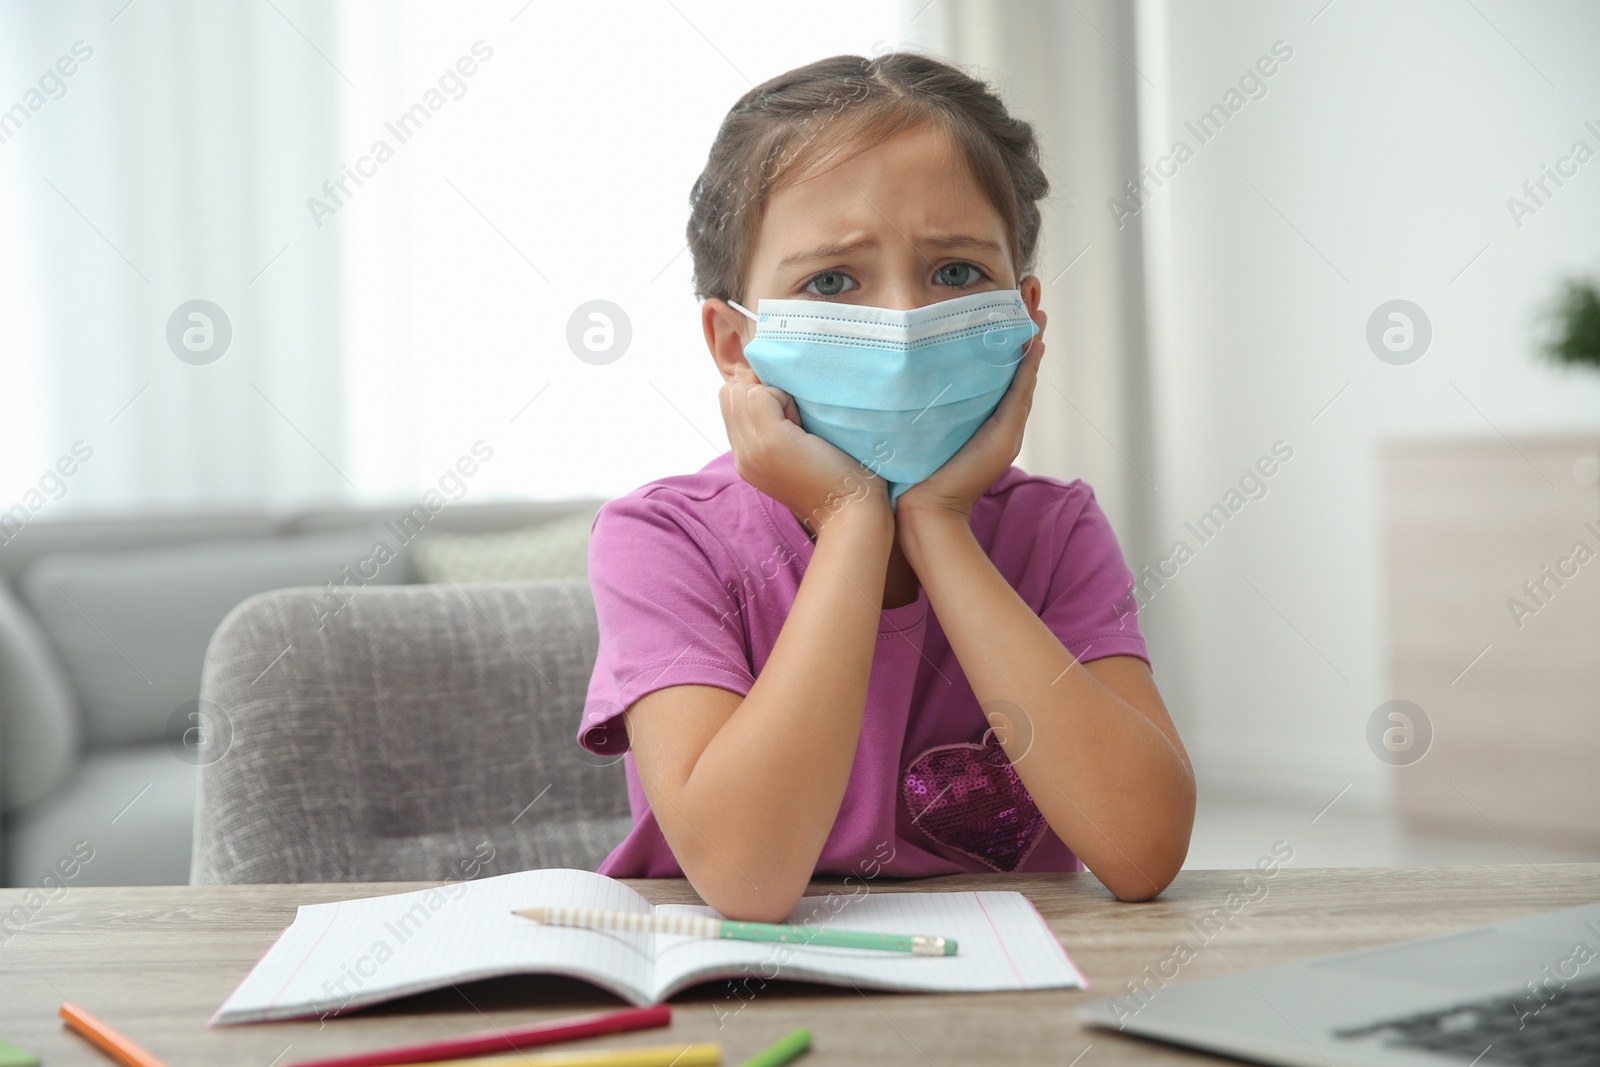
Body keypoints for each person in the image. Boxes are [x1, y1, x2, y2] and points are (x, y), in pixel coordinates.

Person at [575, 52, 1194, 922]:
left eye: (955, 273)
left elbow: (1141, 850)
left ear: (1024, 319)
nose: (903, 324)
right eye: (832, 281)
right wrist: (851, 520)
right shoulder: (661, 538)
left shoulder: (1055, 529)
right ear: (731, 343)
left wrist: (939, 524)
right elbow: (749, 880)